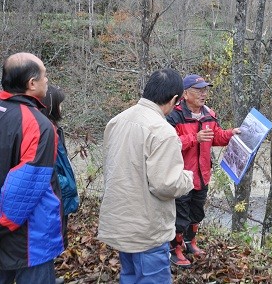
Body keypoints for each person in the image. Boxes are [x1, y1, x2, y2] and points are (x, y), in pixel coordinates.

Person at [98, 68, 193, 284]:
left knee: (129, 277)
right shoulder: (162, 130)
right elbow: (165, 184)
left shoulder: (117, 121)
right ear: (175, 99)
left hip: (121, 222)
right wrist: (188, 178)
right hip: (147, 229)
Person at [0, 52, 64, 284]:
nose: (48, 80)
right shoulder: (38, 125)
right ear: (31, 83)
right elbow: (25, 188)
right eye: (44, 75)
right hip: (29, 239)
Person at [166, 74, 240, 268]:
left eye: (205, 90)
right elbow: (168, 145)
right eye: (198, 90)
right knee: (180, 217)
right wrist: (194, 138)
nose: (203, 94)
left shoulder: (209, 114)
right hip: (181, 177)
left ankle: (190, 242)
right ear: (185, 93)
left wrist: (232, 134)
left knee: (196, 214)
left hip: (202, 175)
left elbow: (216, 137)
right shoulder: (174, 115)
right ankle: (175, 249)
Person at [41, 85, 80, 248]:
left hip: (58, 196)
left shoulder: (54, 128)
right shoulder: (46, 131)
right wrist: (64, 186)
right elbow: (49, 168)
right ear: (51, 106)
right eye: (60, 103)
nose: (61, 107)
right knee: (50, 241)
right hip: (54, 197)